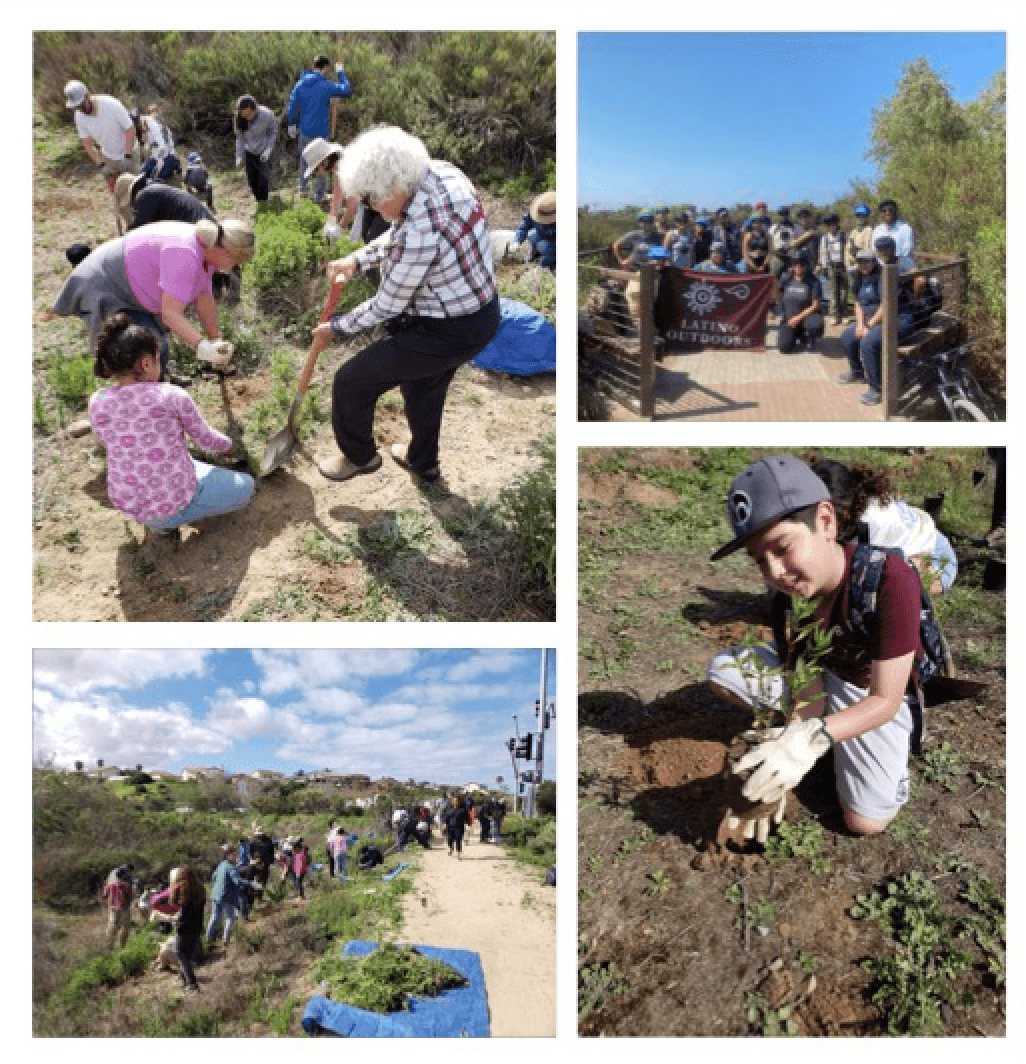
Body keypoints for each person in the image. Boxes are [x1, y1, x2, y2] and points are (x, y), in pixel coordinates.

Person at [707, 454, 929, 839]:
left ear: (825, 521)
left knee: (866, 821)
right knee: (723, 673)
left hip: (868, 689)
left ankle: (888, 768)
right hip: (826, 677)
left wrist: (814, 739)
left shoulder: (890, 580)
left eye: (781, 548)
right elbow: (805, 672)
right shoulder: (792, 595)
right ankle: (818, 743)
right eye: (760, 560)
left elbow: (884, 700)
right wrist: (792, 734)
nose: (774, 572)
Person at [310, 126, 500, 484]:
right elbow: (400, 232)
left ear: (394, 188)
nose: (372, 209)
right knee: (423, 387)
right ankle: (423, 464)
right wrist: (358, 259)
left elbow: (386, 305)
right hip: (476, 314)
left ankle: (358, 456)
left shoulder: (424, 225)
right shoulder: (437, 173)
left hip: (449, 328)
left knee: (351, 381)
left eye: (371, 201)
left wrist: (334, 327)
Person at [87, 315, 253, 534]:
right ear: (146, 363)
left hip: (131, 504)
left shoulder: (98, 401)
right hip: (177, 499)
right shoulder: (170, 395)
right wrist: (230, 446)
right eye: (158, 359)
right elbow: (207, 440)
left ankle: (160, 526)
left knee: (185, 464)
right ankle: (175, 517)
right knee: (247, 487)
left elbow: (105, 441)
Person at [53, 217, 254, 377]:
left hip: (132, 287)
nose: (236, 266)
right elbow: (170, 314)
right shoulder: (185, 254)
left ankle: (159, 386)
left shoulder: (206, 252)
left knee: (156, 341)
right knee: (148, 346)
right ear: (225, 250)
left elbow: (205, 302)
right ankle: (146, 402)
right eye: (237, 259)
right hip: (107, 284)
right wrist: (203, 347)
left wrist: (216, 341)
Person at [811, 458, 957, 594]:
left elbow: (856, 575)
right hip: (922, 535)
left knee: (891, 583)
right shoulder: (858, 501)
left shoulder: (870, 525)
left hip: (937, 558)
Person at [839, 239, 916, 406]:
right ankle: (857, 372)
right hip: (872, 321)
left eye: (867, 261)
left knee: (868, 342)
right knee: (847, 336)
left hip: (897, 320)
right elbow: (858, 303)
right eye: (861, 262)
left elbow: (887, 304)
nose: (864, 265)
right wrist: (860, 324)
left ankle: (876, 389)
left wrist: (869, 325)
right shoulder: (858, 277)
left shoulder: (884, 275)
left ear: (874, 261)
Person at [286, 55, 353, 203]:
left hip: (304, 130)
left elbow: (293, 105)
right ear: (326, 68)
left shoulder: (300, 84)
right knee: (322, 162)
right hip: (321, 132)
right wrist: (340, 72)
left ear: (313, 65)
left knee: (305, 159)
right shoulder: (326, 85)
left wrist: (291, 124)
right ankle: (319, 196)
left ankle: (303, 190)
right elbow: (346, 90)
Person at [64, 80, 138, 200]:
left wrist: (128, 156)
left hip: (130, 153)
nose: (80, 109)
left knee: (136, 193)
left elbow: (130, 129)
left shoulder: (111, 104)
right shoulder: (79, 116)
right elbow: (87, 143)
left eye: (81, 104)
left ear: (88, 95)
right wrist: (101, 165)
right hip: (109, 158)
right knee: (118, 196)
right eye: (76, 107)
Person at [117, 174, 214, 232]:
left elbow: (138, 230)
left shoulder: (145, 195)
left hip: (200, 230)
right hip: (206, 225)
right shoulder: (155, 188)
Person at [776, 253, 824, 353]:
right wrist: (781, 312)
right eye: (795, 264)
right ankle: (795, 335)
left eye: (801, 264)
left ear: (806, 265)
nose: (798, 267)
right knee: (784, 348)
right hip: (790, 319)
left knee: (815, 324)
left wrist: (798, 318)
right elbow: (777, 294)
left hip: (806, 318)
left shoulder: (813, 281)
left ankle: (808, 336)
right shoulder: (786, 278)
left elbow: (816, 305)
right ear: (792, 265)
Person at [233, 95, 278, 203]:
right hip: (249, 151)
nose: (240, 111)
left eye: (243, 109)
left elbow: (273, 132)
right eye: (239, 109)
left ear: (250, 107)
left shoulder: (267, 114)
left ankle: (264, 203)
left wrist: (268, 150)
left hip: (264, 151)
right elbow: (240, 138)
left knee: (263, 180)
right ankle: (259, 201)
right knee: (252, 180)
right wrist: (239, 156)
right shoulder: (238, 118)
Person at [169, 866, 205, 993]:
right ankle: (184, 979)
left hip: (185, 929)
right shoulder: (200, 889)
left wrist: (172, 919)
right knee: (188, 956)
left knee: (182, 954)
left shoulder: (185, 892)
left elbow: (183, 916)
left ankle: (192, 984)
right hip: (197, 928)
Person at [208, 846, 246, 946]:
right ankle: (226, 940)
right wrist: (250, 883)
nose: (235, 855)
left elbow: (213, 877)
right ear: (228, 855)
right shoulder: (230, 867)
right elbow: (237, 881)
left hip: (216, 895)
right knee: (230, 918)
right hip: (226, 896)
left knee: (215, 917)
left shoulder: (221, 865)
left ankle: (209, 939)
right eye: (233, 853)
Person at [512, 190, 556, 271]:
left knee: (545, 247)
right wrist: (516, 241)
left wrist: (543, 266)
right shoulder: (536, 210)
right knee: (531, 234)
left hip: (553, 243)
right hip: (541, 235)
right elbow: (523, 227)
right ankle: (535, 255)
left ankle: (548, 264)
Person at [817, 213, 848, 325]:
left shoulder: (843, 236)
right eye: (827, 225)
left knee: (844, 291)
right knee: (833, 291)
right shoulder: (824, 238)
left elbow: (848, 250)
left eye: (831, 224)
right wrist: (823, 266)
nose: (829, 227)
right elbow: (822, 252)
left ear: (836, 224)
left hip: (843, 265)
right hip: (831, 266)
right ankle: (834, 315)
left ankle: (844, 314)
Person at [138, 105, 181, 185]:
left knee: (154, 178)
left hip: (166, 158)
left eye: (155, 111)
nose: (154, 114)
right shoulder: (153, 127)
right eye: (152, 112)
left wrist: (159, 164)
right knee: (142, 173)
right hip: (156, 157)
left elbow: (163, 147)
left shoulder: (158, 127)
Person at [844, 205, 874, 315]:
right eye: (858, 215)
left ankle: (863, 313)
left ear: (867, 217)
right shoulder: (853, 231)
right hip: (852, 266)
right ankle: (855, 314)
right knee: (853, 290)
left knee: (862, 291)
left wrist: (856, 257)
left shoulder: (869, 230)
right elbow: (848, 249)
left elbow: (867, 250)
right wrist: (849, 261)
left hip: (863, 266)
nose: (860, 218)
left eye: (863, 215)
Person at [872, 199, 915, 273]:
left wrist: (890, 260)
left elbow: (907, 251)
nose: (887, 213)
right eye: (884, 211)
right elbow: (874, 249)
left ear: (895, 211)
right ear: (880, 213)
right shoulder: (877, 229)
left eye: (890, 210)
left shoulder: (905, 227)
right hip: (881, 266)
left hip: (901, 265)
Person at [102, 865, 135, 949]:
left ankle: (110, 945)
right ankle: (122, 946)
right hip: (124, 908)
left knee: (112, 925)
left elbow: (104, 895)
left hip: (113, 908)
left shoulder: (110, 884)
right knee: (124, 927)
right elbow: (130, 897)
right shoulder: (126, 885)